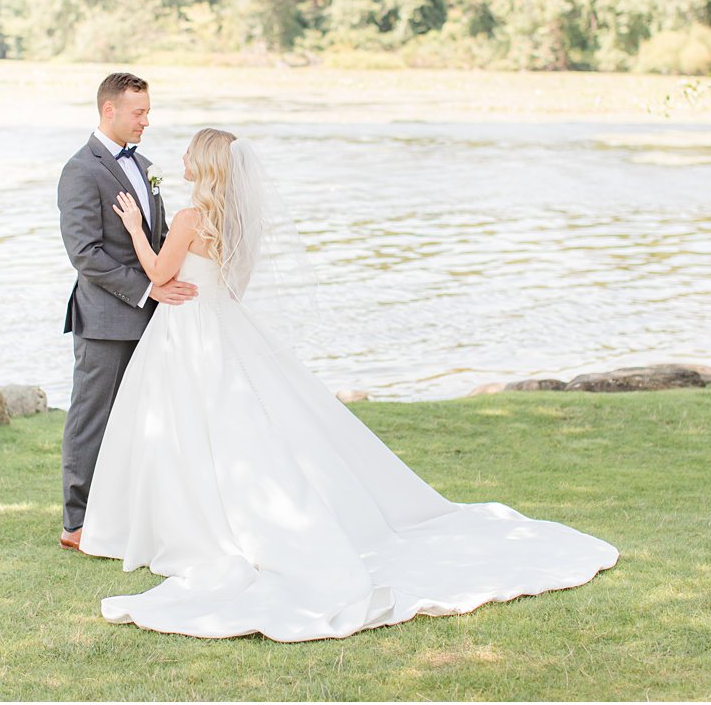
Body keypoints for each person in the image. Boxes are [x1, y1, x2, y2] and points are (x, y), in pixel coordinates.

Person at [78, 128, 620, 642]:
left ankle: (193, 525)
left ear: (206, 164)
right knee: (237, 424)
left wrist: (131, 229)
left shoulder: (192, 216)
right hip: (221, 324)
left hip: (188, 330)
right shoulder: (237, 220)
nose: (183, 158)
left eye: (192, 151)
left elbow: (158, 275)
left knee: (190, 427)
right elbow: (233, 287)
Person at [55, 72, 196, 552]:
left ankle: (127, 513)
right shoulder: (81, 169)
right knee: (93, 418)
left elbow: (157, 241)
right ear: (109, 110)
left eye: (148, 111)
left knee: (144, 419)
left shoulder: (145, 164)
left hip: (153, 318)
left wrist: (174, 273)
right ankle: (77, 522)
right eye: (138, 112)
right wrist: (148, 291)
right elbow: (85, 253)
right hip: (106, 321)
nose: (146, 121)